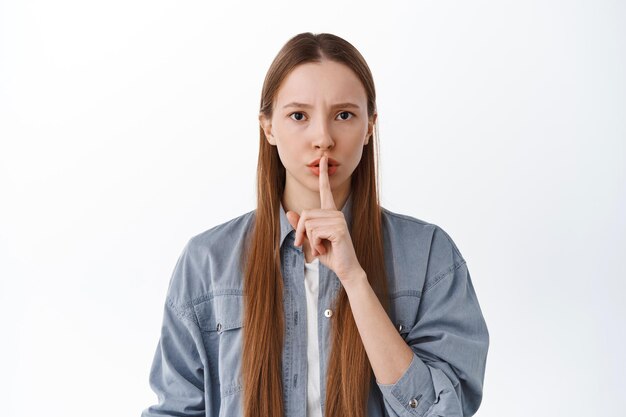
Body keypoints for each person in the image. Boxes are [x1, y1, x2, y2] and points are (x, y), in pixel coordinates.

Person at [141, 32, 489, 417]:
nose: (323, 138)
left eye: (344, 115)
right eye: (298, 116)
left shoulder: (428, 256)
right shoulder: (206, 261)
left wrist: (355, 280)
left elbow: (443, 410)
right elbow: (175, 409)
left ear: (370, 125)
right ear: (268, 127)